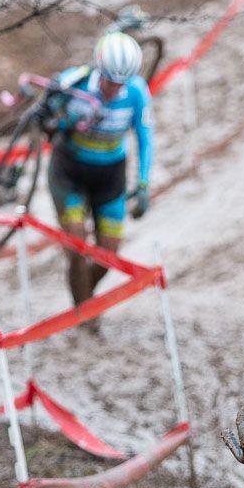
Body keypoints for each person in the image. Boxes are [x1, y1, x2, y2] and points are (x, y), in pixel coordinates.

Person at [47, 30, 154, 306]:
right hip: (69, 172)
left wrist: (143, 184)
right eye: (109, 80)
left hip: (110, 176)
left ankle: (84, 302)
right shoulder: (74, 83)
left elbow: (144, 139)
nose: (114, 88)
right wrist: (59, 118)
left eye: (122, 83)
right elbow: (44, 121)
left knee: (108, 256)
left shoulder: (137, 92)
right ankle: (84, 316)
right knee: (76, 247)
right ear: (99, 69)